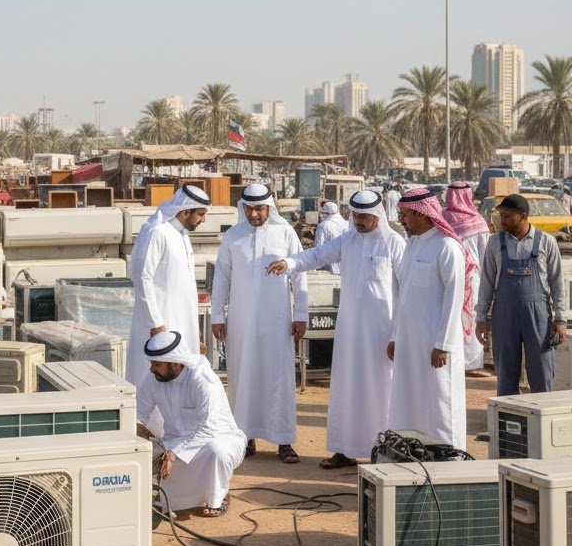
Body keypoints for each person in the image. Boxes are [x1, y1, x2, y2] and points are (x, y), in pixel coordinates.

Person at [271, 189, 405, 468]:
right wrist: (291, 262)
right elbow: (317, 256)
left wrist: (398, 334)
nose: (358, 220)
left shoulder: (394, 243)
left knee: (381, 391)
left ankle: (381, 450)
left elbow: (405, 292)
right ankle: (345, 449)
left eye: (364, 216)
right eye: (355, 214)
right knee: (347, 388)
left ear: (377, 215)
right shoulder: (348, 240)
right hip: (350, 331)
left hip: (382, 333)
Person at [210, 182, 307, 462]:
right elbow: (222, 279)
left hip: (277, 320)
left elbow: (299, 275)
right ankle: (245, 437)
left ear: (270, 208)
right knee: (243, 377)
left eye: (260, 208)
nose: (254, 214)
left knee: (279, 377)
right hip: (241, 322)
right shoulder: (233, 237)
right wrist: (218, 316)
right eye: (250, 208)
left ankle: (284, 441)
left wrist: (301, 314)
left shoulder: (285, 233)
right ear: (243, 208)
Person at [387, 187, 474, 450]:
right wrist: (395, 337)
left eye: (405, 214)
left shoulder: (447, 246)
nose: (402, 219)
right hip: (410, 343)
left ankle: (449, 457)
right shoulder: (412, 244)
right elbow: (403, 297)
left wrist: (443, 344)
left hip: (437, 346)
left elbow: (454, 298)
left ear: (423, 215)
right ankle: (414, 452)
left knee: (440, 402)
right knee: (410, 399)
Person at [137, 329, 247, 518]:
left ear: (176, 363)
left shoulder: (203, 381)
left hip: (217, 438)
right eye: (152, 363)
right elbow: (140, 414)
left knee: (216, 452)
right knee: (146, 458)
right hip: (174, 442)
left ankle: (218, 496)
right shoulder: (154, 377)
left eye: (157, 364)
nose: (151, 368)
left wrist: (174, 454)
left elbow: (208, 429)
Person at [128, 185, 212, 430]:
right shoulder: (158, 232)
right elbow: (141, 277)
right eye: (201, 214)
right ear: (185, 211)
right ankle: (150, 434)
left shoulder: (181, 235)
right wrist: (156, 324)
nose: (204, 220)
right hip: (159, 323)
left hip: (178, 322)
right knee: (153, 374)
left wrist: (192, 334)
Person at [474, 193, 567, 396]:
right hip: (504, 315)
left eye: (507, 216)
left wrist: (561, 319)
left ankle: (541, 422)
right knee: (506, 375)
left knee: (541, 372)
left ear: (523, 216)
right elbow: (487, 282)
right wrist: (481, 317)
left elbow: (558, 283)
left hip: (538, 316)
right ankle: (510, 424)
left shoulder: (546, 242)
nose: (502, 221)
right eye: (500, 215)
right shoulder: (494, 243)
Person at [442, 181, 491, 371]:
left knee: (462, 315)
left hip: (456, 275)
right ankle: (469, 363)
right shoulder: (478, 222)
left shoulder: (441, 219)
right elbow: (485, 255)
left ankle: (466, 362)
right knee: (462, 315)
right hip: (471, 278)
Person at [314, 200, 348, 273]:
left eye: (323, 213)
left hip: (330, 267)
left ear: (328, 213)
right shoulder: (347, 224)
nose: (321, 215)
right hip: (347, 266)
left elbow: (318, 247)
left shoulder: (323, 225)